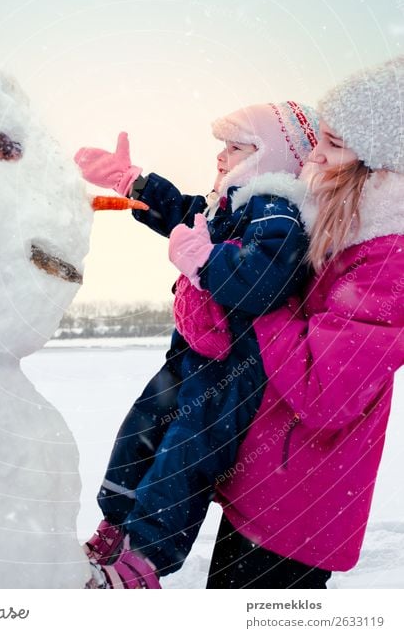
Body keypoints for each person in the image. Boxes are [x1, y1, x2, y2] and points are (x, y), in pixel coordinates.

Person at [74, 101, 318, 588]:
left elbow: (264, 278)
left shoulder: (279, 211)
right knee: (139, 431)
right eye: (222, 147)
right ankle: (116, 523)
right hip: (189, 353)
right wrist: (133, 183)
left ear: (273, 155)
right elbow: (186, 214)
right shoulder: (233, 204)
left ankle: (144, 561)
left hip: (230, 369)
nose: (222, 156)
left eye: (237, 147)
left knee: (184, 456)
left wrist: (206, 261)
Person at [204, 58, 404, 589]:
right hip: (267, 485)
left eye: (334, 143)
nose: (315, 152)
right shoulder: (334, 231)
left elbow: (325, 391)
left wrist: (260, 292)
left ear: (382, 165)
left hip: (300, 509)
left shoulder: (389, 260)